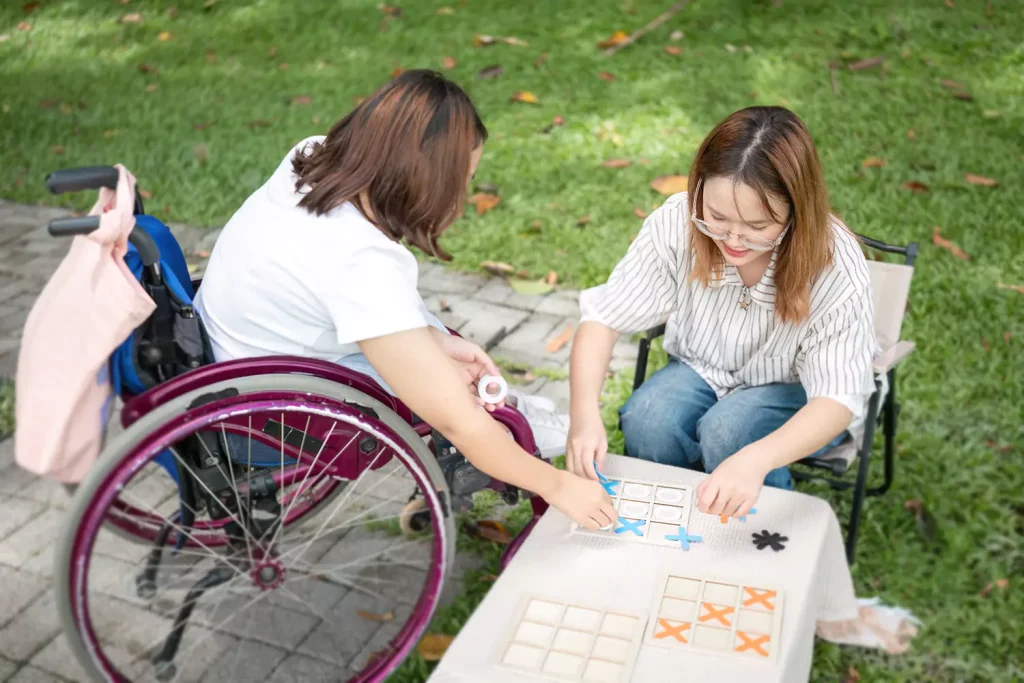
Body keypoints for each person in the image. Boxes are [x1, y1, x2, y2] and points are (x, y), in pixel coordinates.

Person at [195, 70, 615, 530]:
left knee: (450, 368)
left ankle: (508, 421)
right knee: (465, 408)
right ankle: (510, 439)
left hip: (230, 356)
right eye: (464, 179)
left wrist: (434, 338)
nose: (466, 194)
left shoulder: (314, 157)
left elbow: (351, 298)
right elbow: (458, 422)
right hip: (270, 415)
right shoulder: (361, 262)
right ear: (428, 178)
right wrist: (557, 487)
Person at [566, 106, 877, 520]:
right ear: (698, 189)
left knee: (729, 432)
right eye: (716, 216)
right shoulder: (676, 222)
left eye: (758, 224)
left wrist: (756, 459)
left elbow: (836, 398)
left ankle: (756, 540)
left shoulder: (834, 263)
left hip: (795, 388)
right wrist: (584, 416)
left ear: (798, 209)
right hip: (702, 367)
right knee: (648, 418)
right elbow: (603, 318)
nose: (733, 238)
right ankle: (671, 525)